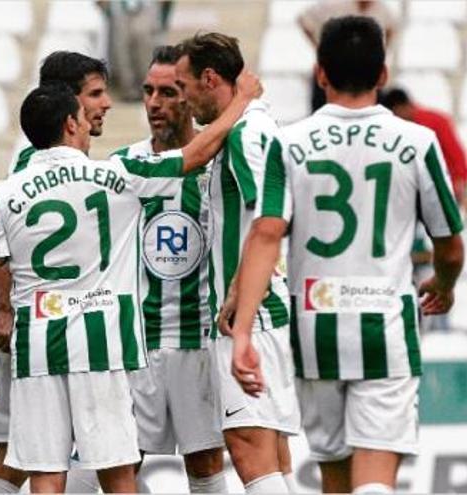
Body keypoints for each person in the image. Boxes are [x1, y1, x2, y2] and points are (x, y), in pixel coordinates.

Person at [0, 72, 261, 492]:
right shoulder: (117, 175)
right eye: (83, 120)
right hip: (102, 341)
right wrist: (242, 100)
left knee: (46, 473)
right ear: (70, 124)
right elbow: (195, 154)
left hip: (36, 349)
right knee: (118, 469)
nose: (89, 126)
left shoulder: (4, 194)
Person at [231, 16, 465, 494]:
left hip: (316, 324)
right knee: (375, 479)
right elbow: (450, 243)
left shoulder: (288, 142)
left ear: (320, 74)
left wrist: (242, 331)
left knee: (334, 478)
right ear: (383, 74)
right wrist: (443, 284)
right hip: (386, 323)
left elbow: (267, 232)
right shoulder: (418, 142)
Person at [0, 50, 115, 495]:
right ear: (69, 106)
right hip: (31, 322)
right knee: (24, 449)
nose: (106, 103)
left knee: (35, 450)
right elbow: (8, 247)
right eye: (95, 94)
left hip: (45, 323)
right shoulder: (33, 168)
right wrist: (4, 308)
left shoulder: (55, 162)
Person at [172, 33, 300, 493]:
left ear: (210, 79)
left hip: (250, 317)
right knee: (273, 450)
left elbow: (267, 221)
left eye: (184, 87)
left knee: (248, 445)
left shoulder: (246, 134)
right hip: (260, 313)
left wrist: (240, 292)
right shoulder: (252, 128)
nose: (182, 100)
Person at [109, 44, 227, 494]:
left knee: (205, 462)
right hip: (137, 342)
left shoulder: (218, 164)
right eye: (148, 91)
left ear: (190, 94)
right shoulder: (124, 165)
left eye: (169, 91)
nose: (155, 103)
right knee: (119, 463)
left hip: (197, 338)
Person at [298, 0, 398, 111]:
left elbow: (391, 29)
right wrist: (320, 48)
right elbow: (304, 19)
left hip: (366, 73)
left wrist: (378, 54)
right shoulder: (334, 4)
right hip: (336, 69)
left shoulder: (383, 10)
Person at [380, 87, 467, 204]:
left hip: (444, 186)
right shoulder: (400, 126)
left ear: (404, 106)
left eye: (396, 113)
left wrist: (459, 180)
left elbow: (455, 153)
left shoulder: (436, 121)